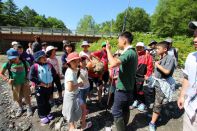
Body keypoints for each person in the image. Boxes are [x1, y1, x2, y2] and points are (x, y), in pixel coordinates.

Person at [106, 31, 138, 131]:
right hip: (129, 87)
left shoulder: (129, 52)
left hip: (123, 88)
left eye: (119, 40)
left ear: (124, 40)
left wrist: (108, 50)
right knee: (125, 107)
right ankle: (124, 125)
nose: (118, 42)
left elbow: (114, 63)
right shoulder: (133, 52)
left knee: (116, 111)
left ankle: (121, 128)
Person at [148, 41, 176, 131]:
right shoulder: (160, 56)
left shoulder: (170, 58)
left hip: (163, 84)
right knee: (155, 100)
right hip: (157, 82)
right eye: (156, 48)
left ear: (165, 49)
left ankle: (152, 123)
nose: (156, 50)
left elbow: (167, 72)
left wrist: (157, 65)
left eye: (158, 48)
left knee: (158, 104)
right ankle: (155, 116)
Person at [0, 48, 32, 117]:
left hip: (24, 82)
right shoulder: (8, 64)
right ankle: (20, 107)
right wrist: (7, 79)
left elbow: (29, 70)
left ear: (18, 56)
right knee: (17, 96)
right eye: (11, 59)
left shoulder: (24, 62)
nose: (13, 60)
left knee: (27, 95)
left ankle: (29, 107)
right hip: (15, 84)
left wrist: (28, 77)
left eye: (15, 58)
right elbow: (1, 73)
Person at [177, 21, 197, 131]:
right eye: (194, 36)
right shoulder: (191, 57)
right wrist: (182, 95)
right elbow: (187, 77)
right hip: (191, 108)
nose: (195, 40)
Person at [29, 51, 56, 124]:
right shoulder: (34, 66)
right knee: (41, 102)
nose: (45, 58)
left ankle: (48, 113)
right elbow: (31, 77)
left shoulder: (49, 65)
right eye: (42, 57)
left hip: (49, 86)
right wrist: (41, 83)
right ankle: (42, 115)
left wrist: (51, 81)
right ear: (38, 59)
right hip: (40, 88)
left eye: (45, 57)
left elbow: (53, 73)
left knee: (47, 101)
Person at [62, 52, 84, 131]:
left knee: (72, 110)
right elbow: (70, 88)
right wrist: (79, 84)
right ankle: (71, 128)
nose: (76, 63)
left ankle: (73, 127)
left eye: (77, 61)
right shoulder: (70, 72)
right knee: (70, 112)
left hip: (74, 94)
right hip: (70, 95)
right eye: (73, 61)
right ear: (69, 63)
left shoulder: (73, 70)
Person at [130, 42, 153, 112]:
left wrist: (147, 75)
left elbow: (150, 66)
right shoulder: (135, 54)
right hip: (133, 74)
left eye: (140, 47)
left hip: (141, 75)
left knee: (140, 90)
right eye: (137, 47)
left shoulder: (147, 55)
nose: (139, 49)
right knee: (133, 89)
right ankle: (136, 101)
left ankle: (143, 103)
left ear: (143, 47)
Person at [78, 55, 92, 130]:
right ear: (78, 63)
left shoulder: (86, 68)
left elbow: (91, 63)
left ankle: (84, 110)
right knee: (81, 101)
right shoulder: (77, 70)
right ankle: (81, 115)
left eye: (84, 61)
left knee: (84, 99)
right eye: (81, 61)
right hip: (81, 88)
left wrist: (88, 58)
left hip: (87, 87)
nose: (83, 62)